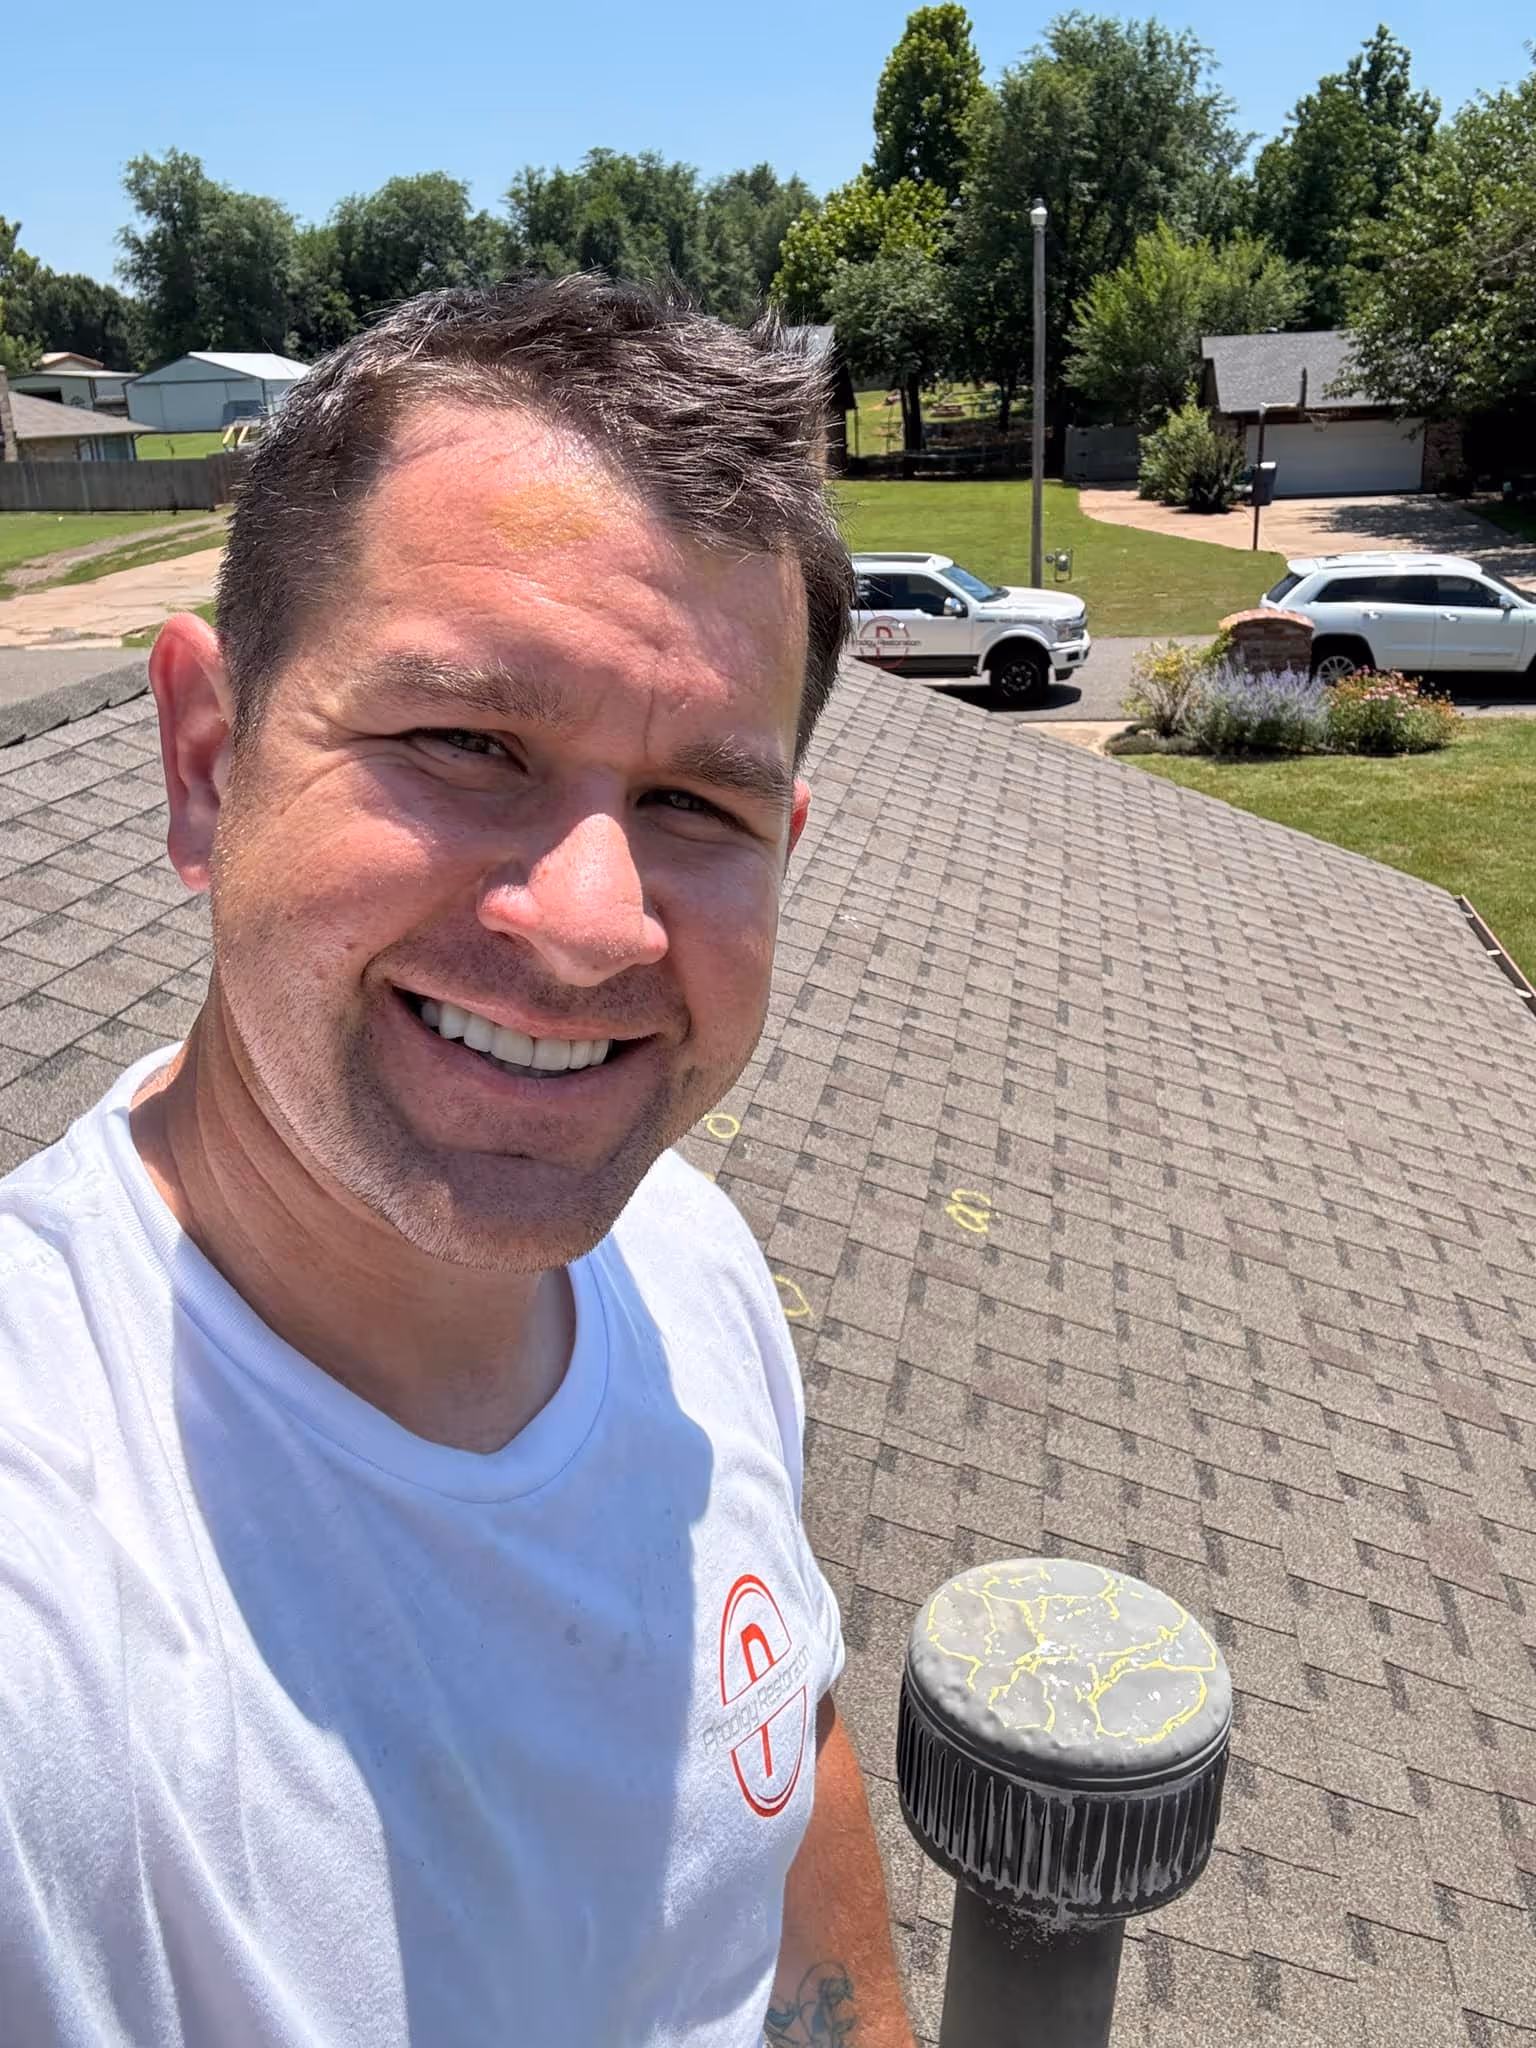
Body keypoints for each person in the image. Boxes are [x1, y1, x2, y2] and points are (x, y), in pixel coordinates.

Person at [0, 276, 913, 2047]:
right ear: (206, 761)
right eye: (466, 744)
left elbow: (790, 1766)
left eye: (695, 807)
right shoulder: (55, 1605)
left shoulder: (697, 1267)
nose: (589, 927)